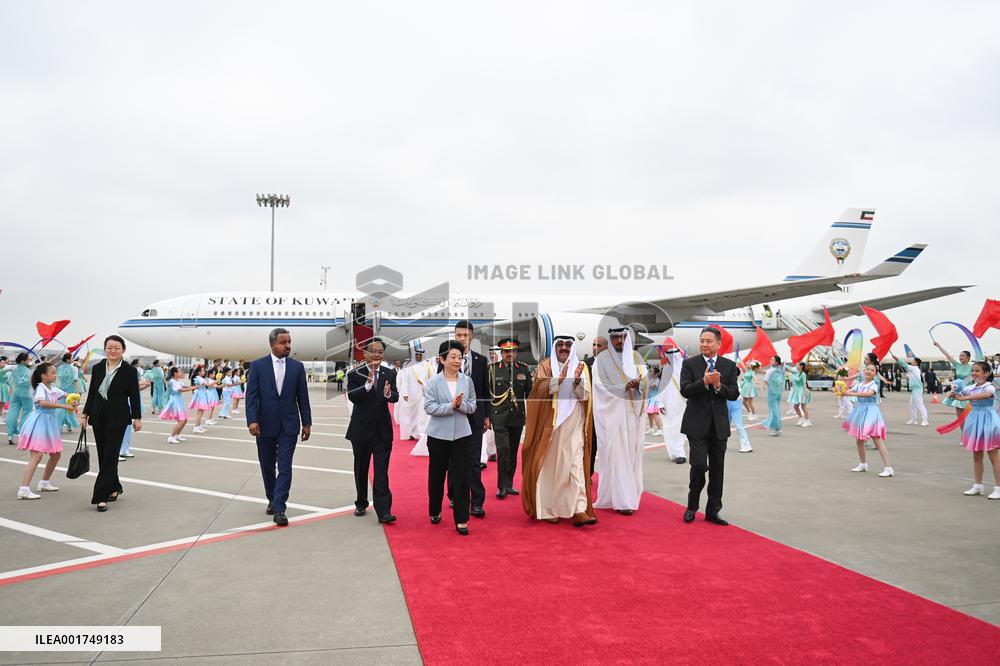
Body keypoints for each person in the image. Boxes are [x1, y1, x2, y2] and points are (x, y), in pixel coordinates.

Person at [520, 336, 597, 526]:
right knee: (550, 468)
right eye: (560, 345)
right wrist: (558, 380)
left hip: (575, 425)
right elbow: (537, 391)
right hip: (551, 427)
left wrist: (577, 381)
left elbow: (585, 396)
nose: (564, 348)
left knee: (576, 465)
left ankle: (579, 509)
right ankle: (548, 509)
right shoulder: (546, 366)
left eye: (568, 345)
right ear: (555, 347)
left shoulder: (582, 367)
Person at [245, 328, 313, 527]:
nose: (288, 346)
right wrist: (252, 420)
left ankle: (280, 508)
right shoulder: (258, 366)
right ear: (273, 344)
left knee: (285, 467)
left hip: (289, 426)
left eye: (289, 342)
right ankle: (272, 498)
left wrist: (307, 422)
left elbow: (303, 397)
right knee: (267, 465)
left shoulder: (297, 367)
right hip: (264, 425)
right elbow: (251, 396)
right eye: (284, 342)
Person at [680, 327, 740, 525]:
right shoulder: (690, 364)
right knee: (698, 465)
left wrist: (718, 386)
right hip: (696, 425)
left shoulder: (729, 366)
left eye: (708, 341)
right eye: (702, 341)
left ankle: (713, 511)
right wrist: (704, 382)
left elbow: (733, 393)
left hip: (719, 426)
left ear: (718, 344)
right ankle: (692, 507)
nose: (704, 344)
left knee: (717, 470)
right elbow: (685, 390)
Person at [80, 335, 142, 512]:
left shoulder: (129, 371)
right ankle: (115, 486)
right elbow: (92, 392)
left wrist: (137, 418)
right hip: (98, 416)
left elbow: (134, 396)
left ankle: (100, 496)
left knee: (110, 455)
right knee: (104, 456)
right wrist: (85, 413)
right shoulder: (98, 367)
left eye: (116, 348)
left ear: (123, 350)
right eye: (109, 347)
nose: (113, 350)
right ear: (105, 349)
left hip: (118, 418)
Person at [593, 327, 649, 514]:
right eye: (615, 337)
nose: (619, 340)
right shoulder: (602, 360)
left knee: (632, 455)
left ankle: (630, 494)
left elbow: (647, 382)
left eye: (623, 337)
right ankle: (623, 501)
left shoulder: (637, 358)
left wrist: (639, 384)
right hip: (613, 417)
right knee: (616, 455)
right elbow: (600, 386)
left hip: (633, 416)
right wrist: (623, 386)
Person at [423, 340, 476, 535]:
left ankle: (461, 519)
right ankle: (435, 509)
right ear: (442, 359)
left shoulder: (466, 381)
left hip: (462, 434)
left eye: (459, 357)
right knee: (437, 475)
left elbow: (472, 405)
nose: (457, 360)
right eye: (452, 357)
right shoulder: (432, 382)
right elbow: (429, 407)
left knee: (462, 476)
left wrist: (460, 405)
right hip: (438, 436)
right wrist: (450, 406)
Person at [345, 337, 398, 524]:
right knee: (361, 468)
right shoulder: (355, 374)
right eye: (373, 351)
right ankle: (361, 501)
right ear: (365, 353)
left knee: (381, 471)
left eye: (380, 352)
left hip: (382, 430)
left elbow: (395, 396)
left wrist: (389, 394)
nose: (377, 355)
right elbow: (353, 397)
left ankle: (384, 511)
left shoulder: (390, 373)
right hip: (361, 430)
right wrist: (367, 385)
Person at [444, 320, 489, 518]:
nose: (462, 338)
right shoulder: (447, 359)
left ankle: (476, 502)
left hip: (475, 417)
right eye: (458, 335)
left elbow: (485, 390)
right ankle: (454, 494)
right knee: (454, 461)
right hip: (453, 417)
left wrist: (487, 415)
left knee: (473, 460)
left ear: (472, 336)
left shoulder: (480, 360)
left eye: (465, 335)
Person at [16, 363, 76, 499]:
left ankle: (44, 482)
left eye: (55, 372)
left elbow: (68, 395)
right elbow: (42, 403)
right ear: (43, 376)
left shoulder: (53, 388)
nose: (56, 375)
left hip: (50, 423)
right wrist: (64, 406)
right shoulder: (40, 387)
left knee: (55, 454)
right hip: (39, 422)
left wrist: (74, 399)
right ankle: (23, 489)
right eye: (53, 373)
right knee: (37, 456)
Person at [946, 361, 1000, 499]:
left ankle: (998, 488)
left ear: (986, 373)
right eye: (973, 371)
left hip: (988, 419)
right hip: (975, 420)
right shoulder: (971, 387)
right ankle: (978, 485)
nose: (974, 373)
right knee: (976, 454)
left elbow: (986, 395)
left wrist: (965, 397)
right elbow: (959, 392)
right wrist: (952, 393)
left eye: (977, 371)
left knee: (993, 456)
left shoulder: (990, 386)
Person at [488, 337, 532, 499]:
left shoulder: (523, 369)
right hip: (499, 416)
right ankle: (501, 485)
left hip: (517, 416)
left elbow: (530, 392)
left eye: (512, 351)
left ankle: (509, 484)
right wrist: (487, 416)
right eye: (506, 351)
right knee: (503, 449)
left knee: (513, 451)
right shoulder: (492, 369)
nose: (509, 354)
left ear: (516, 353)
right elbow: (487, 394)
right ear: (501, 353)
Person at [842, 364, 893, 477]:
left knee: (877, 440)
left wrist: (851, 393)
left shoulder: (874, 384)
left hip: (871, 412)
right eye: (867, 369)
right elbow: (848, 390)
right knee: (859, 441)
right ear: (864, 371)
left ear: (875, 373)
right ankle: (863, 464)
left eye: (872, 370)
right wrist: (841, 385)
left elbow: (869, 394)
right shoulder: (860, 384)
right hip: (860, 411)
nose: (869, 371)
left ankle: (888, 468)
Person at [658, 345, 688, 463]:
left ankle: (680, 451)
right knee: (670, 429)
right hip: (668, 406)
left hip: (681, 404)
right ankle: (675, 453)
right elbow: (661, 389)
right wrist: (660, 403)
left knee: (681, 428)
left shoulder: (684, 370)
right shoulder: (666, 370)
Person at [584, 336, 608, 474]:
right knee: (590, 446)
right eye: (593, 344)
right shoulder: (585, 364)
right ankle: (588, 473)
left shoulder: (614, 365)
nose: (595, 348)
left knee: (609, 446)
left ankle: (609, 476)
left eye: (599, 345)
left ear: (606, 348)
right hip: (591, 412)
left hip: (608, 412)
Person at [398, 349, 431, 440]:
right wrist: (405, 393)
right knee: (412, 415)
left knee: (422, 415)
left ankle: (421, 433)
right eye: (417, 355)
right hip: (412, 394)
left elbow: (431, 379)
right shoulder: (409, 367)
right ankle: (412, 433)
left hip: (423, 394)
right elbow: (405, 381)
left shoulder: (427, 366)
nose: (419, 356)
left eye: (420, 355)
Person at [935, 342, 974, 419]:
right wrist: (938, 345)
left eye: (963, 355)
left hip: (969, 392)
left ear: (968, 358)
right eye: (960, 355)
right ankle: (963, 431)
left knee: (969, 417)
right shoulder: (958, 365)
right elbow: (947, 355)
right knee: (960, 418)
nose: (960, 357)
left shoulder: (972, 366)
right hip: (959, 392)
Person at [160, 367, 197, 443]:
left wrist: (195, 387)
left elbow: (185, 386)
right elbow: (181, 390)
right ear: (175, 373)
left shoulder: (178, 381)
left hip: (179, 401)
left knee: (184, 420)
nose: (182, 373)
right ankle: (171, 437)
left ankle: (177, 435)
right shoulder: (172, 382)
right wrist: (193, 388)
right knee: (182, 420)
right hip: (175, 401)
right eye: (180, 372)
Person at [891, 352, 929, 426]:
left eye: (913, 361)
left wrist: (897, 359)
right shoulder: (912, 369)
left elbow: (904, 365)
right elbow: (908, 371)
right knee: (912, 405)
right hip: (913, 389)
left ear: (916, 363)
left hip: (917, 389)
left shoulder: (914, 368)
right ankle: (913, 419)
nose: (911, 362)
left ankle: (925, 420)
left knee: (919, 404)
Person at [7, 353, 34, 446]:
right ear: (23, 361)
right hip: (27, 395)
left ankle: (10, 435)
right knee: (27, 412)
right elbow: (31, 383)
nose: (29, 361)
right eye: (27, 359)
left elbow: (9, 380)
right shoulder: (29, 371)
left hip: (15, 393)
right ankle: (23, 435)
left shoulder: (14, 369)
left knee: (12, 412)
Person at [762, 355, 785, 436]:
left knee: (774, 410)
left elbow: (766, 379)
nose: (770, 361)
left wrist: (763, 387)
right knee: (777, 410)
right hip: (778, 392)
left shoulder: (771, 370)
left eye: (772, 360)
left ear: (776, 362)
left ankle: (778, 429)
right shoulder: (780, 370)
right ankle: (778, 429)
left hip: (771, 392)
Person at [731, 367, 752, 453]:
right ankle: (720, 444)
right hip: (730, 404)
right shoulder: (734, 382)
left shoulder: (734, 383)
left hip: (734, 404)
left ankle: (746, 445)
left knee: (739, 425)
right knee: (723, 426)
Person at [56, 353, 79, 433]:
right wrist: (78, 392)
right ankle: (69, 425)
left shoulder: (60, 368)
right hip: (71, 390)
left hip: (61, 390)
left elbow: (57, 380)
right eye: (72, 358)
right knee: (71, 408)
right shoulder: (74, 368)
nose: (73, 359)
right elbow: (76, 381)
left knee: (61, 408)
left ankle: (59, 426)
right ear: (68, 359)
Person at [189, 367, 214, 433]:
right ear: (199, 372)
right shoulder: (198, 378)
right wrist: (216, 381)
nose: (204, 371)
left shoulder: (200, 378)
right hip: (201, 395)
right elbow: (208, 385)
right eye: (203, 371)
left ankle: (198, 426)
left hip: (202, 394)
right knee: (200, 412)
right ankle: (196, 427)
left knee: (200, 412)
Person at [787, 362, 813, 427]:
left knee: (803, 406)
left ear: (801, 366)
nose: (796, 366)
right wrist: (784, 364)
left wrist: (805, 391)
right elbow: (789, 369)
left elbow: (804, 383)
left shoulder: (803, 374)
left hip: (802, 390)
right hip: (796, 390)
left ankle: (807, 421)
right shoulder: (795, 372)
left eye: (798, 365)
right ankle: (801, 419)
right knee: (795, 406)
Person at [645, 367, 665, 436]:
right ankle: (651, 429)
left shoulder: (657, 380)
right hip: (650, 398)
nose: (650, 372)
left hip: (655, 398)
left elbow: (651, 386)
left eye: (652, 371)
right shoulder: (651, 379)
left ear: (656, 373)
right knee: (649, 414)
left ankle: (659, 429)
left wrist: (644, 383)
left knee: (655, 414)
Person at [0, 356, 10, 424]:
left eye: (4, 363)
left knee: (2, 404)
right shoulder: (2, 371)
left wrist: (10, 386)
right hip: (0, 387)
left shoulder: (3, 370)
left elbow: (7, 381)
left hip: (4, 388)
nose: (4, 364)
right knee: (0, 404)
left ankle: (0, 418)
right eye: (2, 363)